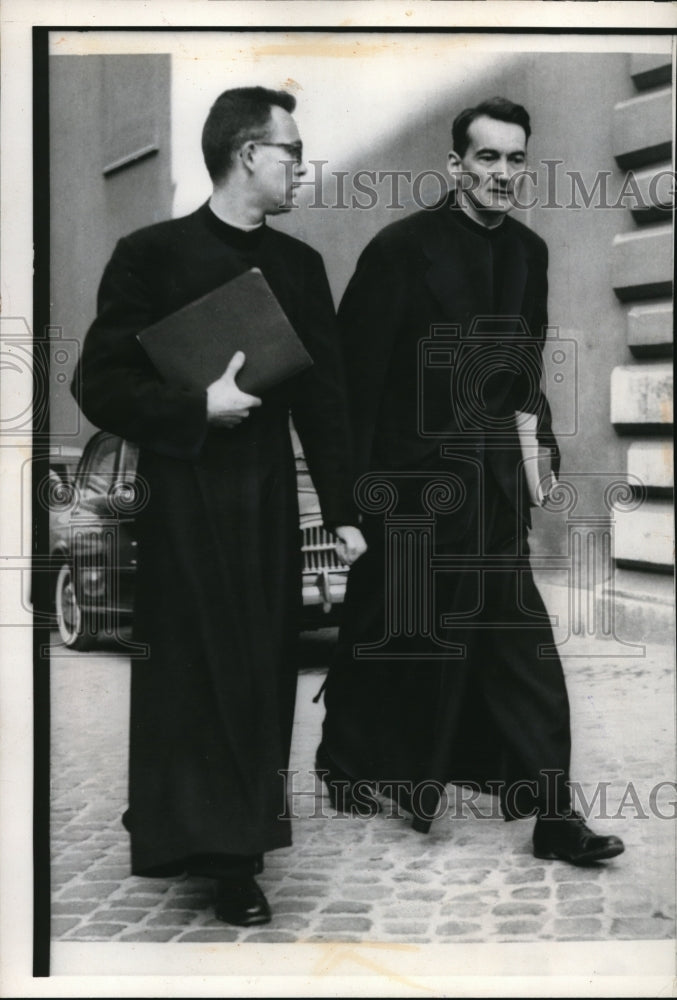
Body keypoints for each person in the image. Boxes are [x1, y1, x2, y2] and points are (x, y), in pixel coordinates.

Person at [71, 86, 366, 926]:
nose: (300, 166)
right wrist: (197, 406)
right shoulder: (149, 255)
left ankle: (236, 855)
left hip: (265, 502)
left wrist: (344, 513)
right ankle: (187, 834)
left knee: (258, 675)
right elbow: (98, 383)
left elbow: (326, 405)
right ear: (247, 154)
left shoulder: (300, 269)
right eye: (290, 151)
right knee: (185, 677)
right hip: (180, 502)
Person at [317, 96, 624, 866]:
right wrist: (350, 503)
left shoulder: (528, 253)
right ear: (455, 165)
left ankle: (553, 813)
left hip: (491, 493)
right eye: (486, 157)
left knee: (523, 646)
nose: (502, 173)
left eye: (515, 158)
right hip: (411, 493)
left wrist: (538, 450)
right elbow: (353, 385)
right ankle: (344, 761)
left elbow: (524, 374)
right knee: (389, 635)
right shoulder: (399, 250)